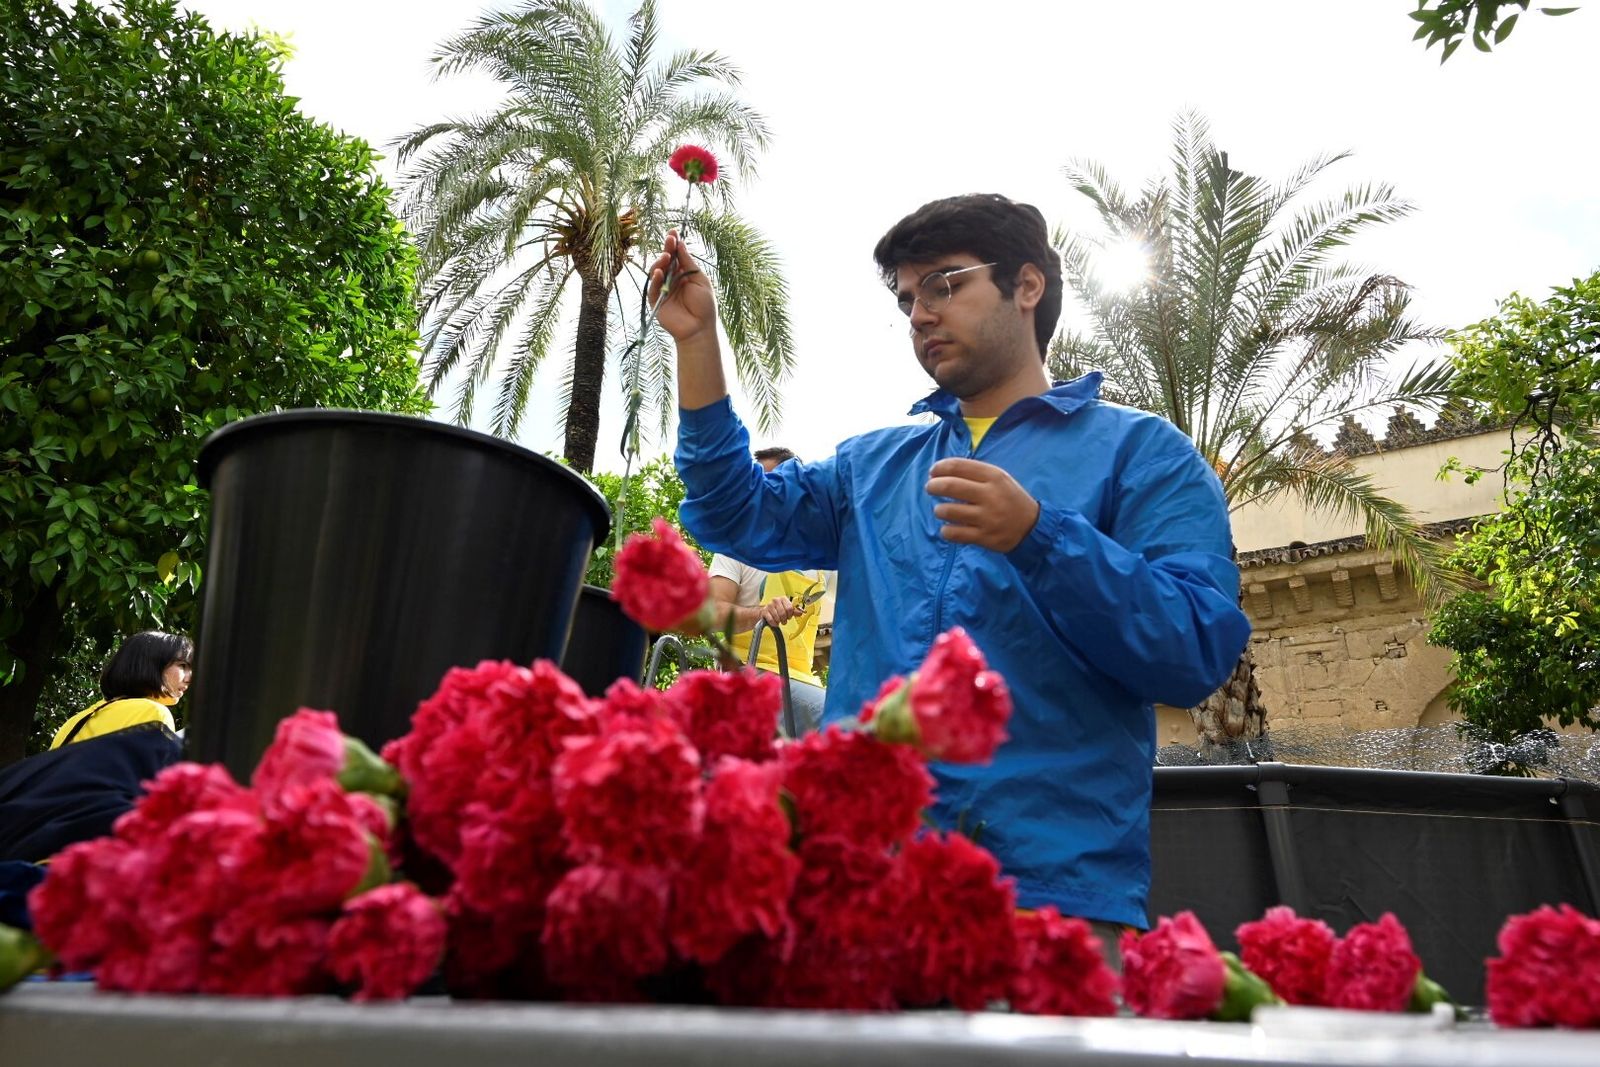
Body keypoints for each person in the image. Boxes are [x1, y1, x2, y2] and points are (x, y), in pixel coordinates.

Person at [650, 193, 1252, 937]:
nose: (920, 315)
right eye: (908, 299)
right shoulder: (872, 466)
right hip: (856, 884)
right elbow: (733, 513)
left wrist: (1040, 537)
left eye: (945, 284)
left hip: (1047, 899)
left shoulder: (1144, 454)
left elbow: (1194, 646)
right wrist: (696, 342)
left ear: (1026, 285)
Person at [707, 446, 834, 734]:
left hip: (801, 680)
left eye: (769, 484)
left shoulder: (819, 562)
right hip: (747, 673)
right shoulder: (734, 547)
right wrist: (761, 613)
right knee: (838, 722)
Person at [50, 630, 193, 749]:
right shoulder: (153, 712)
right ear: (152, 666)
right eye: (182, 666)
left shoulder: (76, 721)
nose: (189, 678)